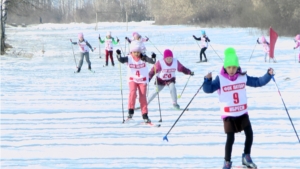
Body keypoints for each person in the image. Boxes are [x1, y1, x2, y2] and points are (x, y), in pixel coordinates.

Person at [202, 47, 274, 169]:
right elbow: (208, 89)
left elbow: (257, 82)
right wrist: (207, 80)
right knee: (230, 138)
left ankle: (246, 156)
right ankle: (227, 162)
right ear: (225, 67)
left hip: (242, 113)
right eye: (229, 67)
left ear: (237, 67)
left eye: (234, 67)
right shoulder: (220, 79)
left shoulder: (242, 77)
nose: (231, 70)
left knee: (249, 134)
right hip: (229, 115)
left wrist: (268, 75)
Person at [115, 41, 156, 123]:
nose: (136, 54)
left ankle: (145, 115)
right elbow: (121, 60)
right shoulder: (129, 57)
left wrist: (153, 57)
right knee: (132, 93)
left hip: (142, 80)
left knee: (143, 97)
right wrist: (118, 55)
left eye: (138, 52)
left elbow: (152, 61)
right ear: (131, 52)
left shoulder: (143, 57)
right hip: (132, 79)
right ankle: (130, 111)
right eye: (134, 52)